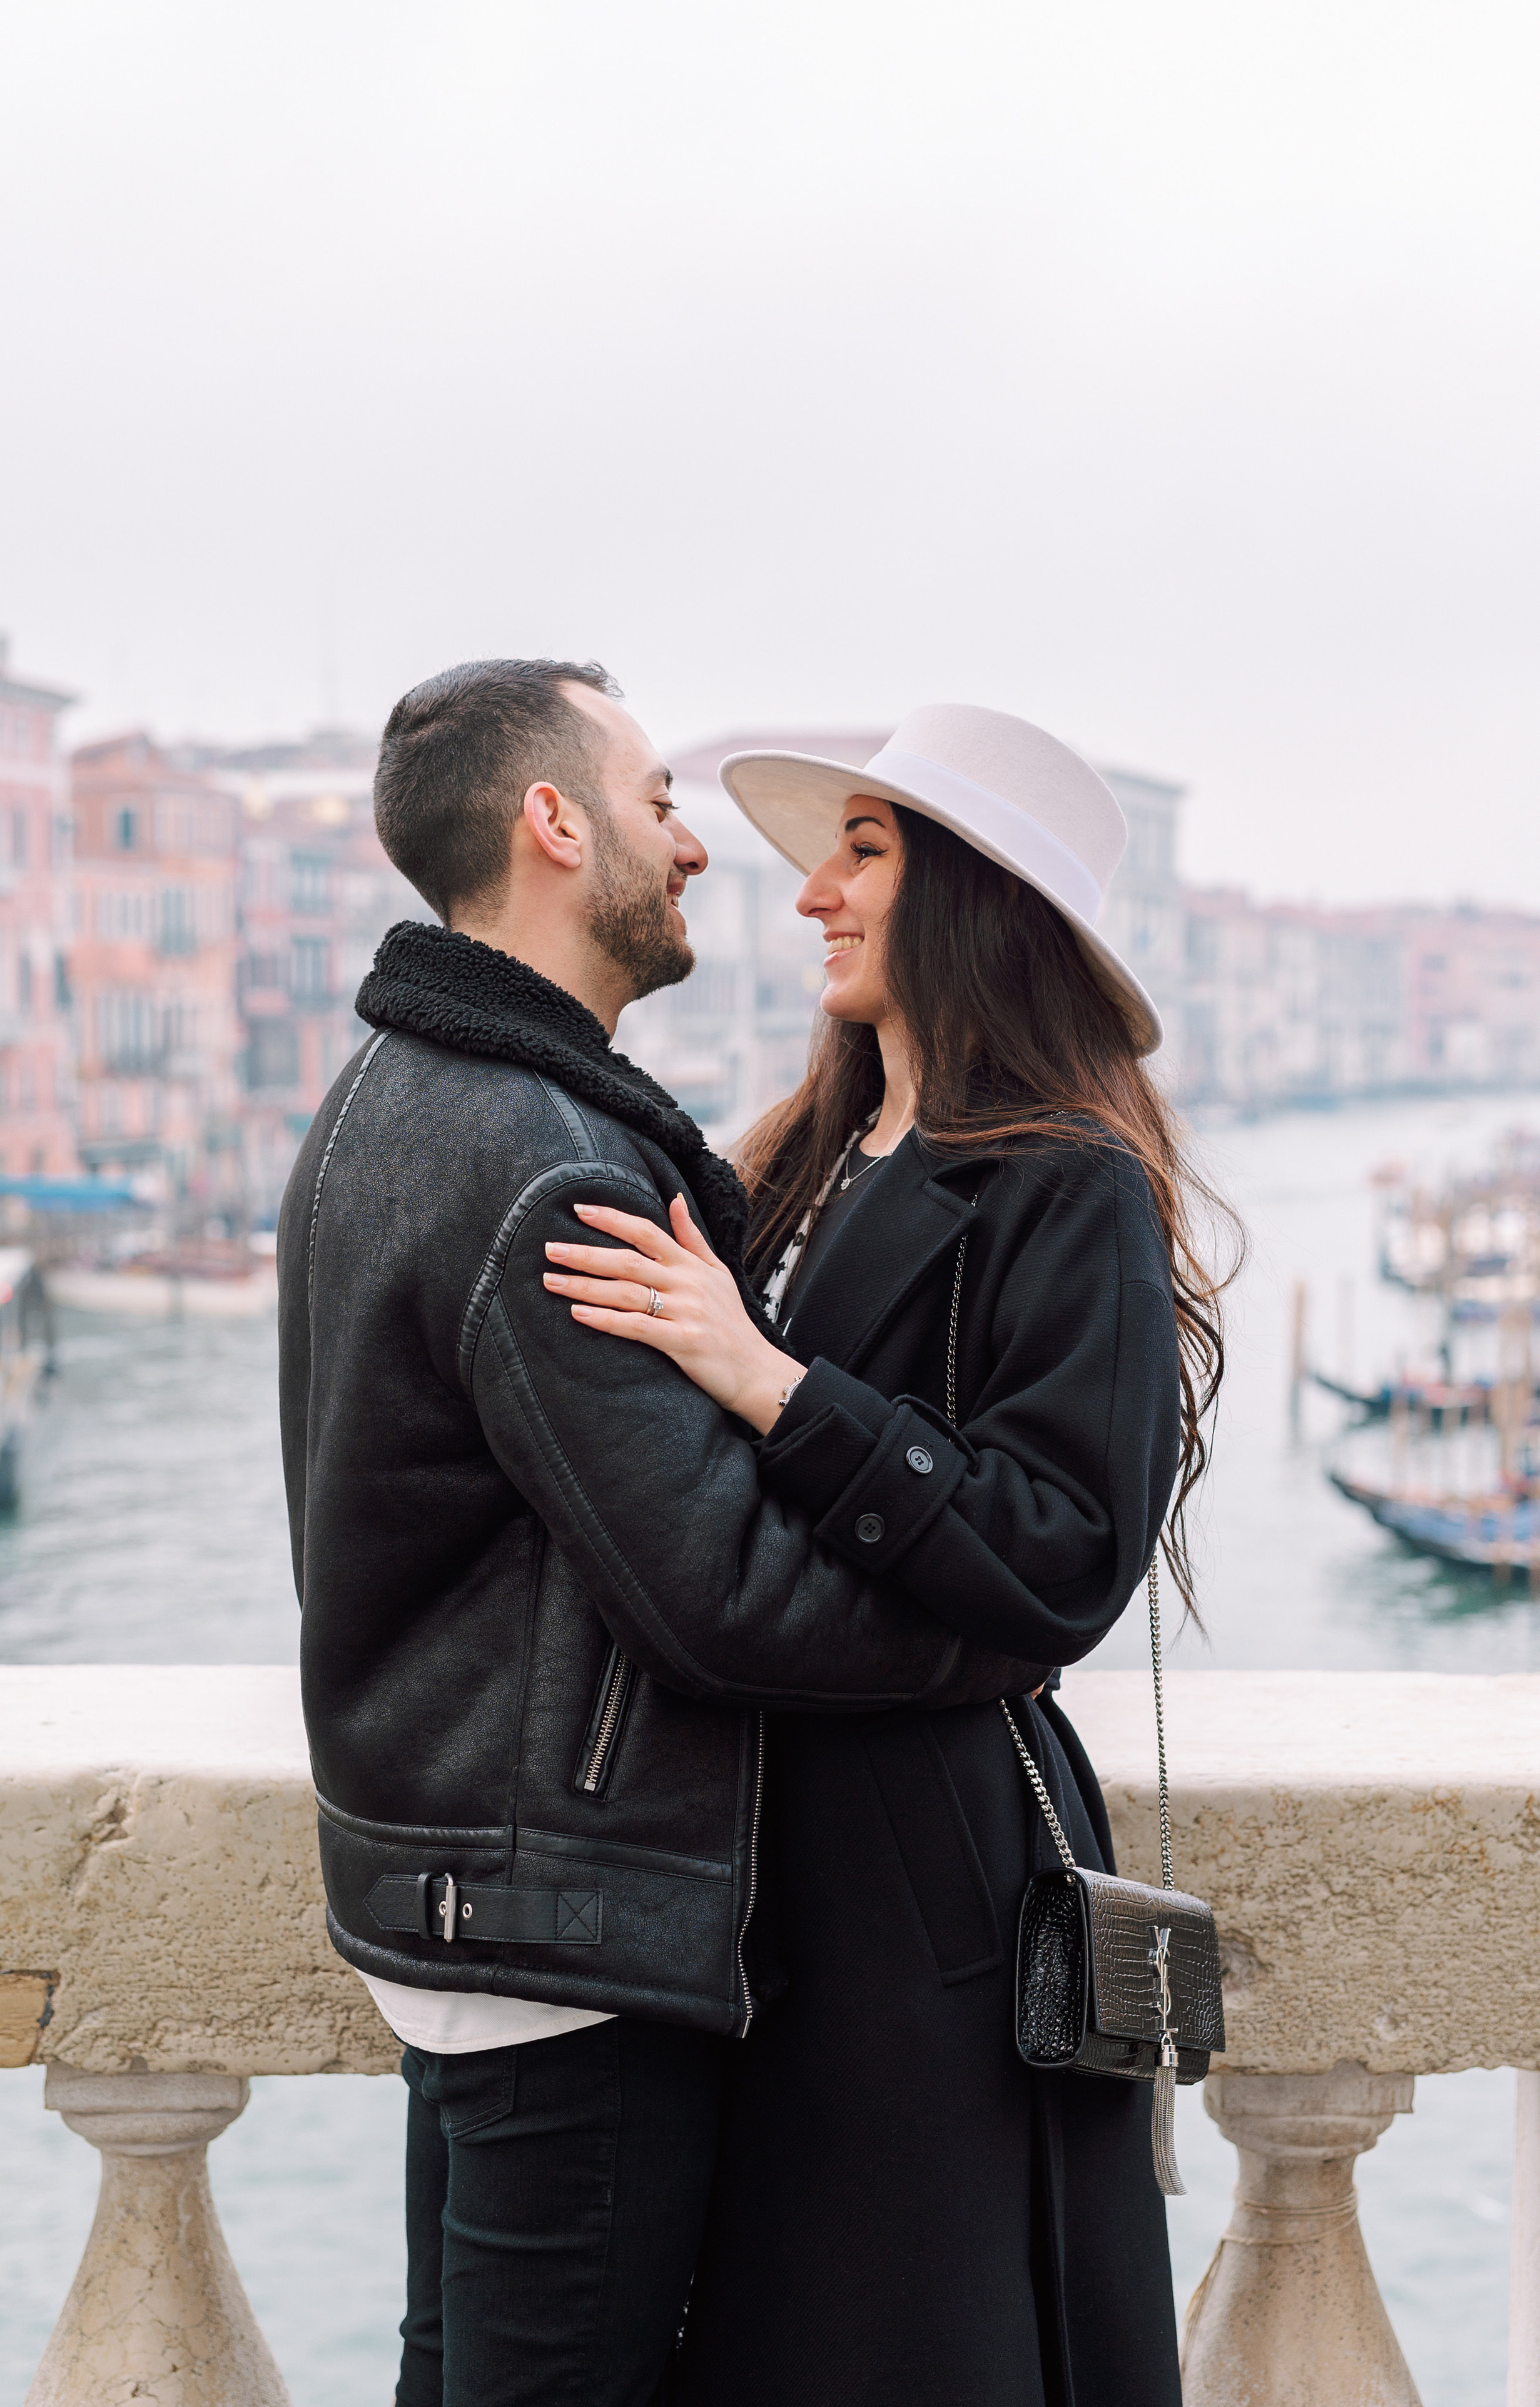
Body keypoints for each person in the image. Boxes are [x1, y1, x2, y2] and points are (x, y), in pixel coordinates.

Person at [276, 664, 1040, 2407]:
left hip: (454, 1895)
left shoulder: (380, 1098)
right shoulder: (545, 1161)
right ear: (553, 823)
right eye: (659, 802)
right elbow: (724, 1598)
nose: (695, 848)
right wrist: (991, 1626)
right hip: (564, 1930)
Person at [539, 702, 1235, 2407]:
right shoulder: (792, 1162)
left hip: (931, 1894)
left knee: (908, 2336)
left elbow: (1065, 1557)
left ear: (974, 899)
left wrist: (774, 1384)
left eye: (864, 854)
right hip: (750, 1869)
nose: (811, 897)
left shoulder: (1067, 1183)